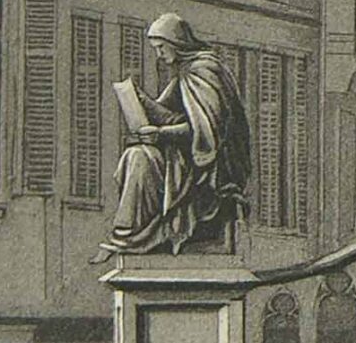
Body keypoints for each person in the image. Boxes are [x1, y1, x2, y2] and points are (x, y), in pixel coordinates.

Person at [103, 13, 252, 256]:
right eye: (155, 49)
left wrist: (160, 135)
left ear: (176, 44)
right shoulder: (184, 73)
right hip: (186, 162)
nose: (159, 55)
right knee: (136, 156)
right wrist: (140, 100)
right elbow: (169, 114)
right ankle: (127, 235)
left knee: (141, 158)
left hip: (209, 170)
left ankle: (130, 237)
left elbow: (206, 131)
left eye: (161, 48)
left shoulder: (205, 71)